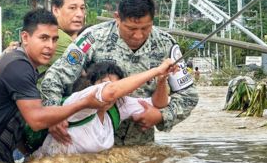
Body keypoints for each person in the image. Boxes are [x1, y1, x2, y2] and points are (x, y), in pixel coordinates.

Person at [0, 9, 109, 163]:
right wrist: (84, 103)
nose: (50, 46)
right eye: (43, 38)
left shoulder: (19, 63)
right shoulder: (19, 66)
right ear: (25, 37)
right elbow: (36, 120)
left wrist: (31, 156)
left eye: (54, 39)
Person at [41, 0, 199, 146]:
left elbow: (189, 95)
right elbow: (54, 77)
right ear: (117, 17)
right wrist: (54, 114)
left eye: (145, 28)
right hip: (90, 142)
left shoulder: (166, 44)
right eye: (131, 29)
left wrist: (162, 115)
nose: (138, 35)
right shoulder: (93, 38)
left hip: (141, 146)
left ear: (153, 20)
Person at [33, 60, 172, 157]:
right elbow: (110, 92)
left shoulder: (117, 107)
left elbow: (158, 104)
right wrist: (156, 70)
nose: (112, 90)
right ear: (91, 84)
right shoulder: (80, 101)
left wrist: (161, 80)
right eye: (103, 84)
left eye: (116, 85)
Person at [37, 0, 86, 74]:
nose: (80, 14)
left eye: (82, 8)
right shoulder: (58, 39)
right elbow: (85, 72)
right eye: (72, 8)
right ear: (56, 10)